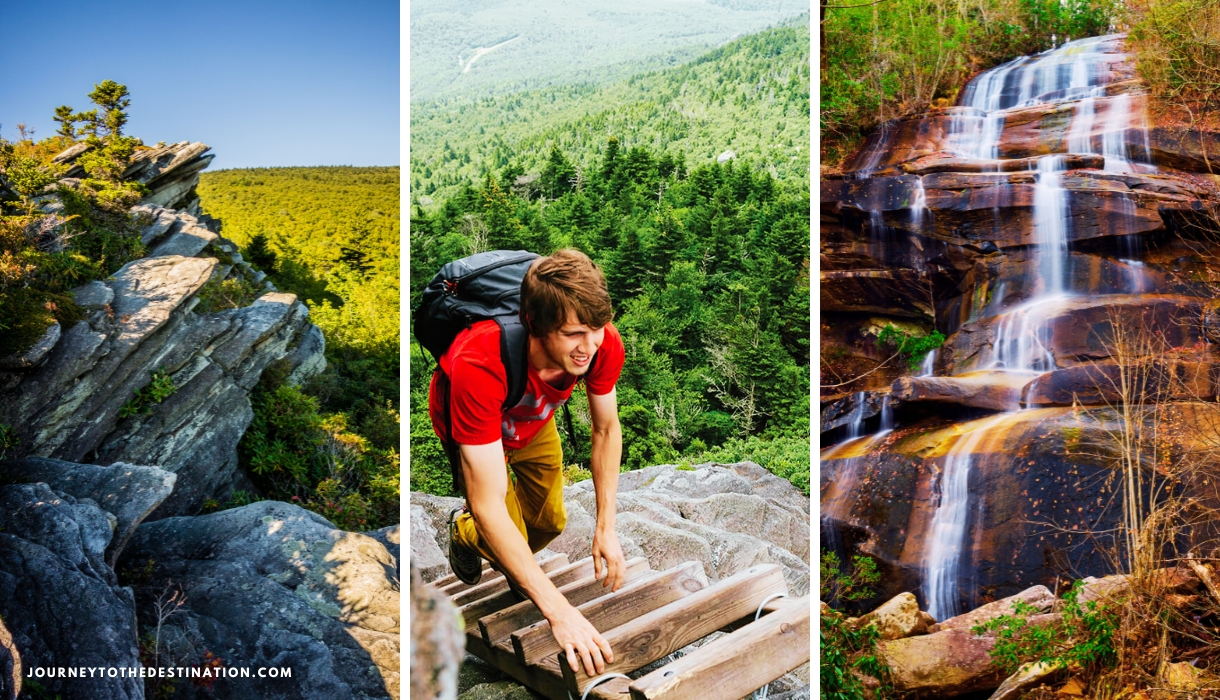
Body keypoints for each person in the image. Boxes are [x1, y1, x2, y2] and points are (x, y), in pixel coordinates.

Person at [428, 248, 627, 678]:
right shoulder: (479, 360)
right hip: (478, 429)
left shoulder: (599, 340)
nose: (588, 346)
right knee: (510, 550)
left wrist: (606, 526)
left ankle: (487, 544)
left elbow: (606, 430)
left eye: (596, 329)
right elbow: (489, 503)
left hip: (533, 420)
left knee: (549, 523)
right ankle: (465, 531)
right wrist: (560, 612)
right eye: (574, 333)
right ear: (536, 326)